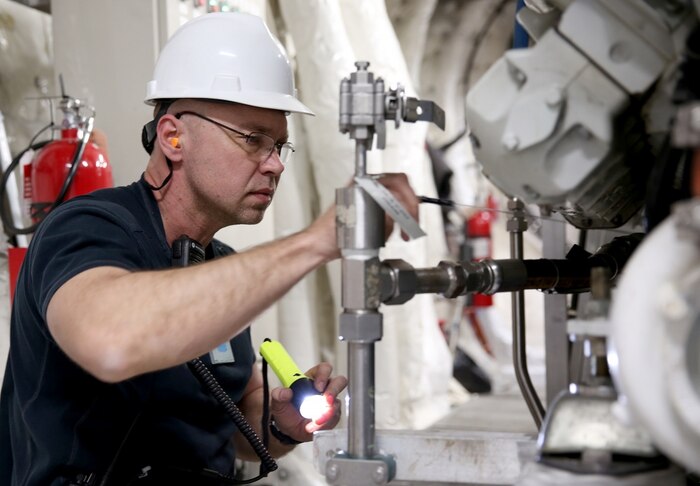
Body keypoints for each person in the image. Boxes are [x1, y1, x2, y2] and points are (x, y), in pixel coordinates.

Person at [0, 12, 419, 486]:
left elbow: (239, 415)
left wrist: (284, 422)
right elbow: (108, 341)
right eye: (254, 139)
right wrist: (317, 242)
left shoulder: (216, 264)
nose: (276, 165)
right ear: (173, 136)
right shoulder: (85, 229)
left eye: (280, 145)